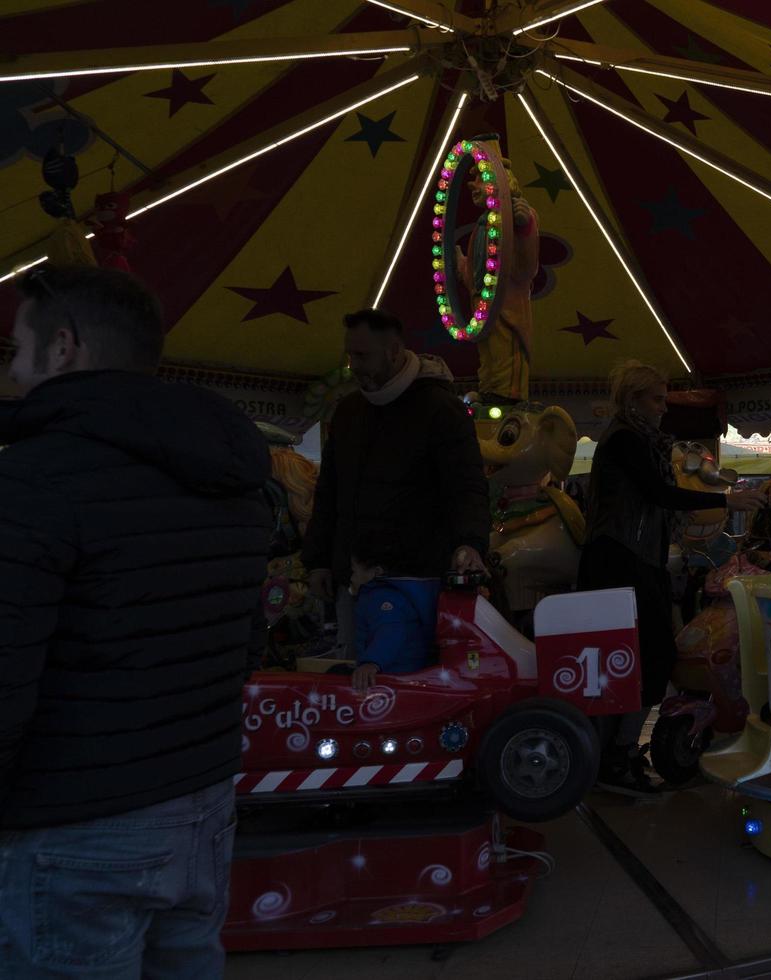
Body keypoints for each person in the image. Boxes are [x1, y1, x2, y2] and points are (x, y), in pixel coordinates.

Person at [0, 264, 272, 976]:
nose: (15, 370)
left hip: (75, 823)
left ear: (63, 349)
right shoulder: (234, 481)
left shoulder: (34, 480)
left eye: (16, 349)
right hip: (204, 802)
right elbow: (246, 646)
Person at [580, 360, 767, 794]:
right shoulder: (628, 440)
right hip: (622, 560)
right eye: (657, 399)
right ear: (633, 399)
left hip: (627, 558)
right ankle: (619, 754)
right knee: (646, 654)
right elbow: (658, 493)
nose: (664, 408)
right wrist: (727, 501)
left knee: (636, 656)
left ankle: (617, 749)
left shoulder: (635, 440)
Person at [302, 309, 490, 651]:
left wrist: (470, 542)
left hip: (417, 579)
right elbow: (329, 492)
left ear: (393, 351)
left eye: (362, 355)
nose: (353, 365)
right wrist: (318, 560)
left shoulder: (441, 410)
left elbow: (466, 486)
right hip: (356, 582)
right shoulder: (348, 413)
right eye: (350, 354)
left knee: (409, 678)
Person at [349, 529, 440, 694]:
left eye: (354, 571)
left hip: (396, 675)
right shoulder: (380, 594)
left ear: (376, 572)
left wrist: (372, 662)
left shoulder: (384, 598)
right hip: (392, 670)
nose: (351, 578)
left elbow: (391, 631)